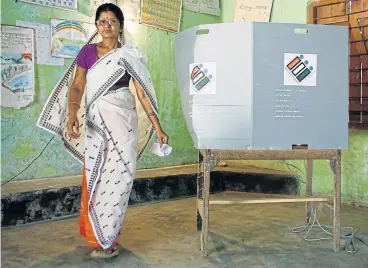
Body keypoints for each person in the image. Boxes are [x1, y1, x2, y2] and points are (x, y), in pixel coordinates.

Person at [36, 3, 168, 259]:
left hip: (122, 126)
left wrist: (157, 127)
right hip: (97, 126)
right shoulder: (87, 53)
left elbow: (141, 94)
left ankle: (110, 238)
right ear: (96, 26)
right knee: (96, 180)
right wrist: (72, 113)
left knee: (119, 182)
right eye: (102, 21)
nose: (107, 25)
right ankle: (98, 237)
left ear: (120, 25)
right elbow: (77, 86)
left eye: (112, 21)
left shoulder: (130, 56)